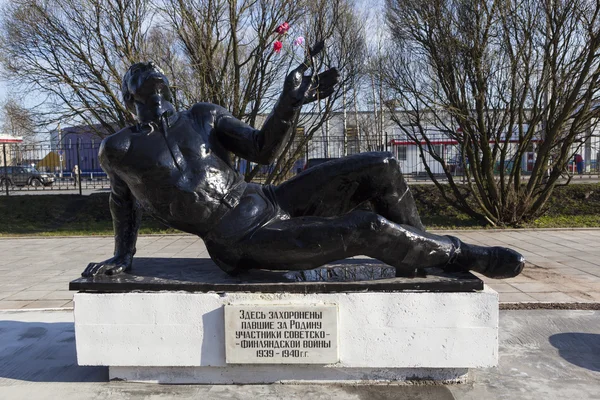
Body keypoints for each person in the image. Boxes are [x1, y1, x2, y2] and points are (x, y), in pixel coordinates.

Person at [82, 43, 524, 279]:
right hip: (242, 239)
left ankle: (419, 255)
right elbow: (121, 204)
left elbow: (262, 149)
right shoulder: (118, 149)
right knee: (363, 228)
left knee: (384, 164)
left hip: (271, 198)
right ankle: (463, 254)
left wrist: (291, 101)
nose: (150, 70)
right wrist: (123, 256)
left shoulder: (202, 115)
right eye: (139, 71)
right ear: (129, 93)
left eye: (154, 68)